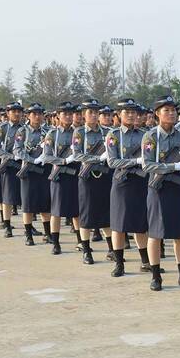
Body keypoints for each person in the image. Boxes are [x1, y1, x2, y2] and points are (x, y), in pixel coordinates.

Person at [141, 95, 180, 291]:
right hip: (158, 189)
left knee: (179, 234)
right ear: (157, 114)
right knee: (155, 234)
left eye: (173, 110)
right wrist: (173, 166)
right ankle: (155, 275)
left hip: (178, 188)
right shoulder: (151, 137)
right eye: (166, 110)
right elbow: (147, 165)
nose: (171, 114)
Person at [106, 98, 151, 276]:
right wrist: (135, 161)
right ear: (119, 115)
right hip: (122, 183)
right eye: (127, 112)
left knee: (140, 224)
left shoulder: (144, 135)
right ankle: (119, 264)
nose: (132, 115)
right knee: (119, 224)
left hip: (140, 182)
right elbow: (112, 161)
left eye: (134, 112)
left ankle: (146, 261)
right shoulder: (114, 135)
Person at [71, 99, 114, 265]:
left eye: (97, 112)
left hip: (105, 177)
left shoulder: (108, 132)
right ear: (84, 115)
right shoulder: (79, 133)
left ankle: (112, 249)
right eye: (91, 112)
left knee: (107, 213)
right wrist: (97, 158)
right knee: (87, 214)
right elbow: (77, 155)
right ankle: (87, 250)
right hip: (87, 178)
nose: (94, 115)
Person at [41, 102, 81, 254]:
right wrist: (63, 161)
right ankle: (56, 243)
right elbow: (47, 156)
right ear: (58, 116)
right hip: (59, 175)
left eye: (71, 114)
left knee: (76, 211)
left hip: (75, 174)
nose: (68, 116)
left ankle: (80, 241)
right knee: (56, 211)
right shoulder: (52, 134)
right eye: (65, 114)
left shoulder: (78, 133)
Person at [13, 103, 53, 245]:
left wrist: (44, 157)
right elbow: (17, 150)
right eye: (34, 113)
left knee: (45, 204)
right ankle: (28, 235)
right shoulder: (22, 132)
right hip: (29, 171)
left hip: (44, 170)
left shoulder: (48, 131)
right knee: (28, 205)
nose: (37, 116)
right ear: (28, 116)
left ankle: (48, 234)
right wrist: (32, 159)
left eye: (39, 113)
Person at [0, 102, 24, 238]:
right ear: (8, 113)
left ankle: (28, 226)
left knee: (25, 197)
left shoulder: (25, 128)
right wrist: (11, 156)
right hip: (9, 166)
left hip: (23, 165)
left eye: (19, 111)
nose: (17, 114)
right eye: (13, 111)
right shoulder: (2, 128)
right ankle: (7, 225)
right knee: (8, 197)